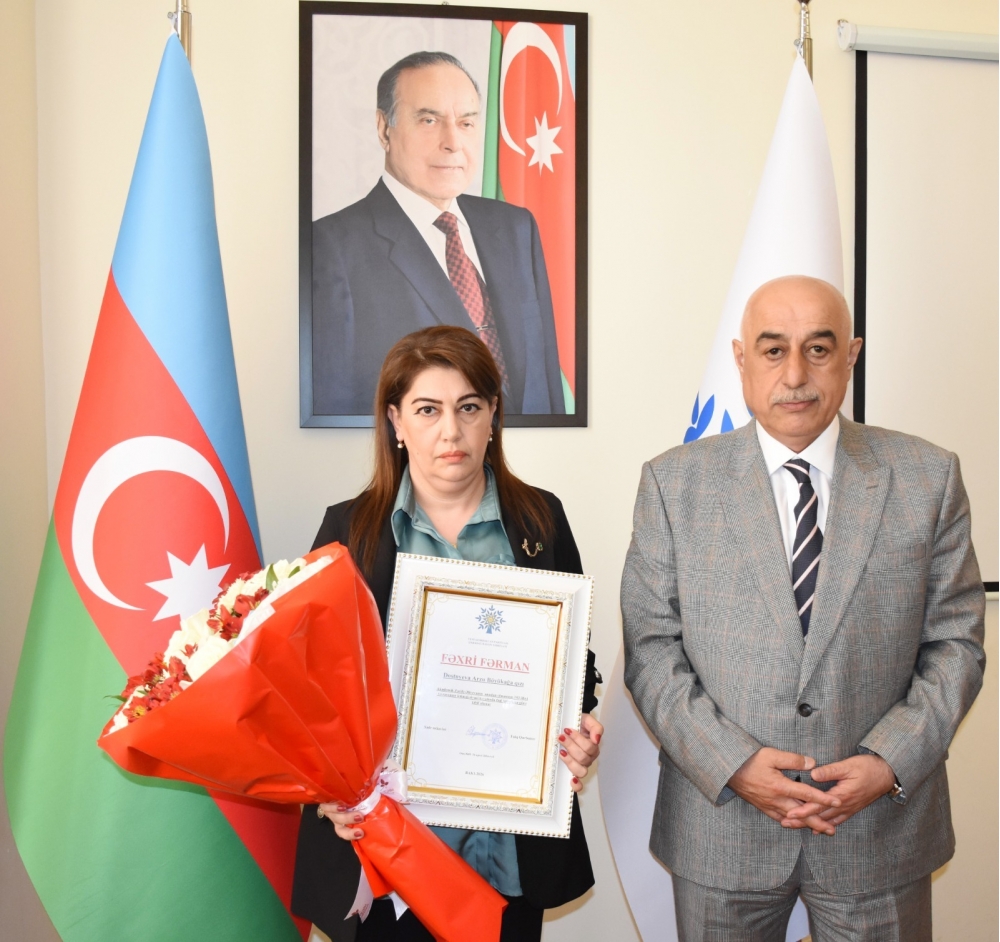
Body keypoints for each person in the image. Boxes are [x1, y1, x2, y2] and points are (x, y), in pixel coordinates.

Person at [621, 275, 985, 941]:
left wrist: (889, 761)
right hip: (722, 830)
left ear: (851, 356)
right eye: (773, 350)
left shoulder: (928, 478)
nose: (795, 375)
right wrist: (734, 764)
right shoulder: (673, 485)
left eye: (818, 349)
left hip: (878, 831)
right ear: (741, 360)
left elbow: (956, 644)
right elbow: (650, 652)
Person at [292, 326, 601, 941]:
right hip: (386, 848)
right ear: (396, 422)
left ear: (493, 416)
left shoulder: (541, 519)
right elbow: (309, 687)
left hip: (510, 849)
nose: (451, 432)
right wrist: (326, 789)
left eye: (469, 407)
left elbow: (573, 659)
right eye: (428, 410)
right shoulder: (348, 531)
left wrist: (579, 726)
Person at [310, 51, 565, 418]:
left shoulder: (516, 228)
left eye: (466, 123)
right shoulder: (332, 246)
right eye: (429, 120)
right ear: (384, 129)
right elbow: (335, 408)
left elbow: (547, 385)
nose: (452, 142)